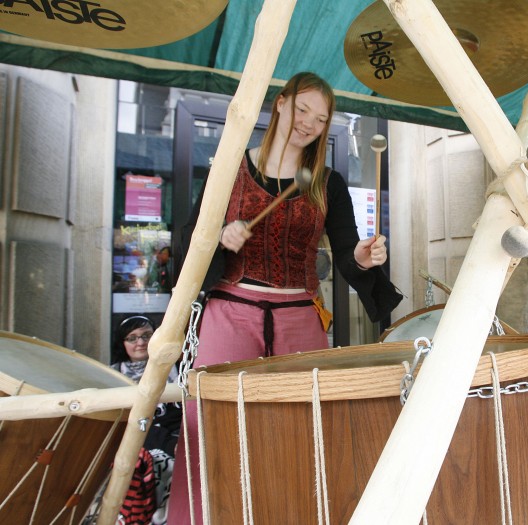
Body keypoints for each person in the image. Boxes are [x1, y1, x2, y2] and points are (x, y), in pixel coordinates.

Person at [169, 72, 402, 523]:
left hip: (299, 317)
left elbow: (348, 253)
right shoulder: (230, 167)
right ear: (280, 103)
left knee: (303, 433)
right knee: (209, 427)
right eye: (302, 109)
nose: (310, 123)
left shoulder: (328, 182)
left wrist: (363, 257)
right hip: (230, 312)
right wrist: (219, 237)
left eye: (321, 118)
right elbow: (189, 240)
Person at [110, 315, 181, 525]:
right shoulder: (111, 374)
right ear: (122, 343)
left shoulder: (176, 368)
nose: (140, 342)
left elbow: (179, 415)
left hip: (170, 437)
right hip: (132, 441)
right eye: (132, 338)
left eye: (146, 336)